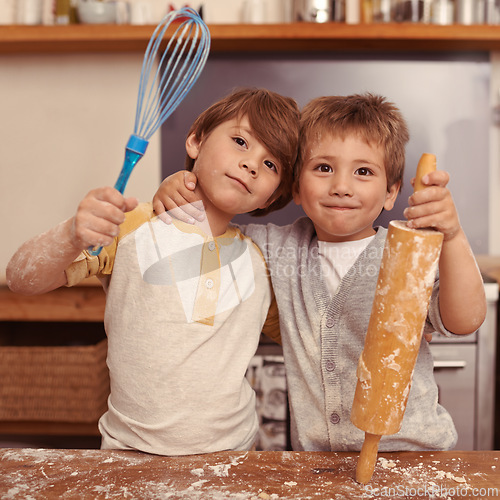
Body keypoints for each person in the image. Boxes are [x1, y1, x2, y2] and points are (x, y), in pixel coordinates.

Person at [151, 93, 487, 452]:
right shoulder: (273, 247)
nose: (341, 186)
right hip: (316, 461)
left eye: (363, 172)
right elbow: (211, 230)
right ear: (295, 186)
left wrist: (452, 236)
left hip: (411, 453)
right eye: (324, 168)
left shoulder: (407, 254)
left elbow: (464, 320)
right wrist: (184, 188)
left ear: (391, 193)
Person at [6, 88, 300, 455]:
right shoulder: (133, 226)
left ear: (273, 197)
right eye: (240, 141)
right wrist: (71, 234)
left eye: (271, 165)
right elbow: (21, 279)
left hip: (233, 457)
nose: (252, 164)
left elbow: (303, 340)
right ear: (196, 140)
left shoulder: (259, 261)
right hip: (127, 453)